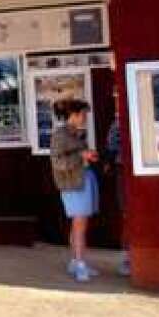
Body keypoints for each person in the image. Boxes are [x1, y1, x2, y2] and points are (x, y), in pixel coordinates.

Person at [50, 98, 100, 282]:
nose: (85, 117)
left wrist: (86, 156)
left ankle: (76, 261)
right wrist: (81, 155)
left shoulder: (75, 133)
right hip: (73, 184)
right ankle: (79, 263)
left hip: (83, 179)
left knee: (79, 224)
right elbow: (58, 163)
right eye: (83, 114)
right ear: (74, 115)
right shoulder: (60, 135)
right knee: (80, 225)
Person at [104, 109, 130, 276]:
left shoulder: (119, 121)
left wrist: (108, 162)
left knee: (127, 215)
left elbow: (111, 148)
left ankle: (130, 259)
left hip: (124, 170)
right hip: (126, 170)